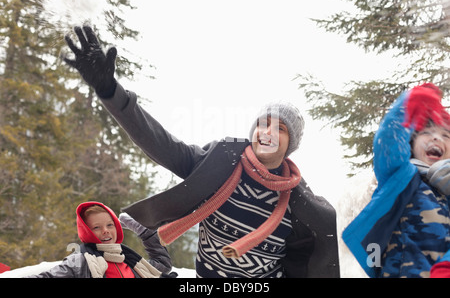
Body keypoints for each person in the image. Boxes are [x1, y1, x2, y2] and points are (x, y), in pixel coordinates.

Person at [63, 25, 339, 278]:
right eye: (263, 124)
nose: (267, 132)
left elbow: (310, 261)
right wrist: (110, 91)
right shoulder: (221, 163)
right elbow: (161, 143)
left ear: (290, 144)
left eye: (279, 129)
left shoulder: (299, 202)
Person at [343, 83, 450, 278]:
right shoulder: (402, 177)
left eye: (446, 135)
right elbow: (389, 144)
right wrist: (407, 107)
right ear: (412, 144)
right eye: (427, 132)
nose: (436, 138)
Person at [28, 201, 175, 278]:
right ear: (87, 232)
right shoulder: (80, 262)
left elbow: (162, 264)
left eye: (110, 225)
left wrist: (144, 232)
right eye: (96, 227)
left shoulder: (128, 261)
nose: (105, 231)